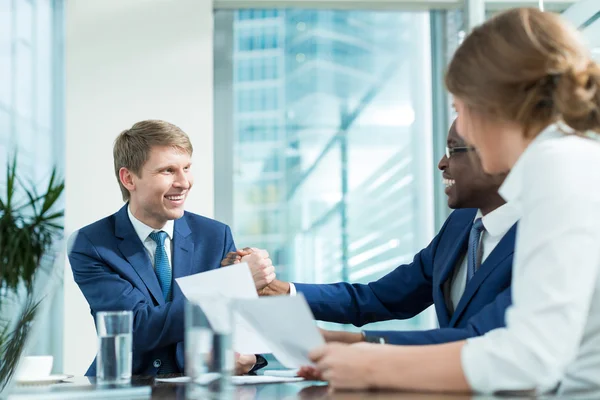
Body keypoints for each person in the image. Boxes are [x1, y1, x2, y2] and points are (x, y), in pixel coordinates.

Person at [303, 8, 600, 395]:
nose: (458, 127)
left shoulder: (560, 164)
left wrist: (374, 363)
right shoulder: (575, 160)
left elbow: (531, 357)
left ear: (493, 103)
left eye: (459, 109)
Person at [223, 121, 519, 346]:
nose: (442, 163)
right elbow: (378, 298)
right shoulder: (460, 226)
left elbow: (482, 339)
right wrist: (276, 289)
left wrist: (349, 343)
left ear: (494, 155)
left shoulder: (542, 236)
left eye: (453, 150)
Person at [68, 120, 274, 376]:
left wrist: (247, 357)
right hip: (126, 387)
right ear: (129, 178)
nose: (184, 182)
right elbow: (134, 328)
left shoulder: (215, 235)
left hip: (200, 387)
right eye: (168, 171)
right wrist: (231, 284)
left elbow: (240, 329)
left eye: (187, 168)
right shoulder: (92, 244)